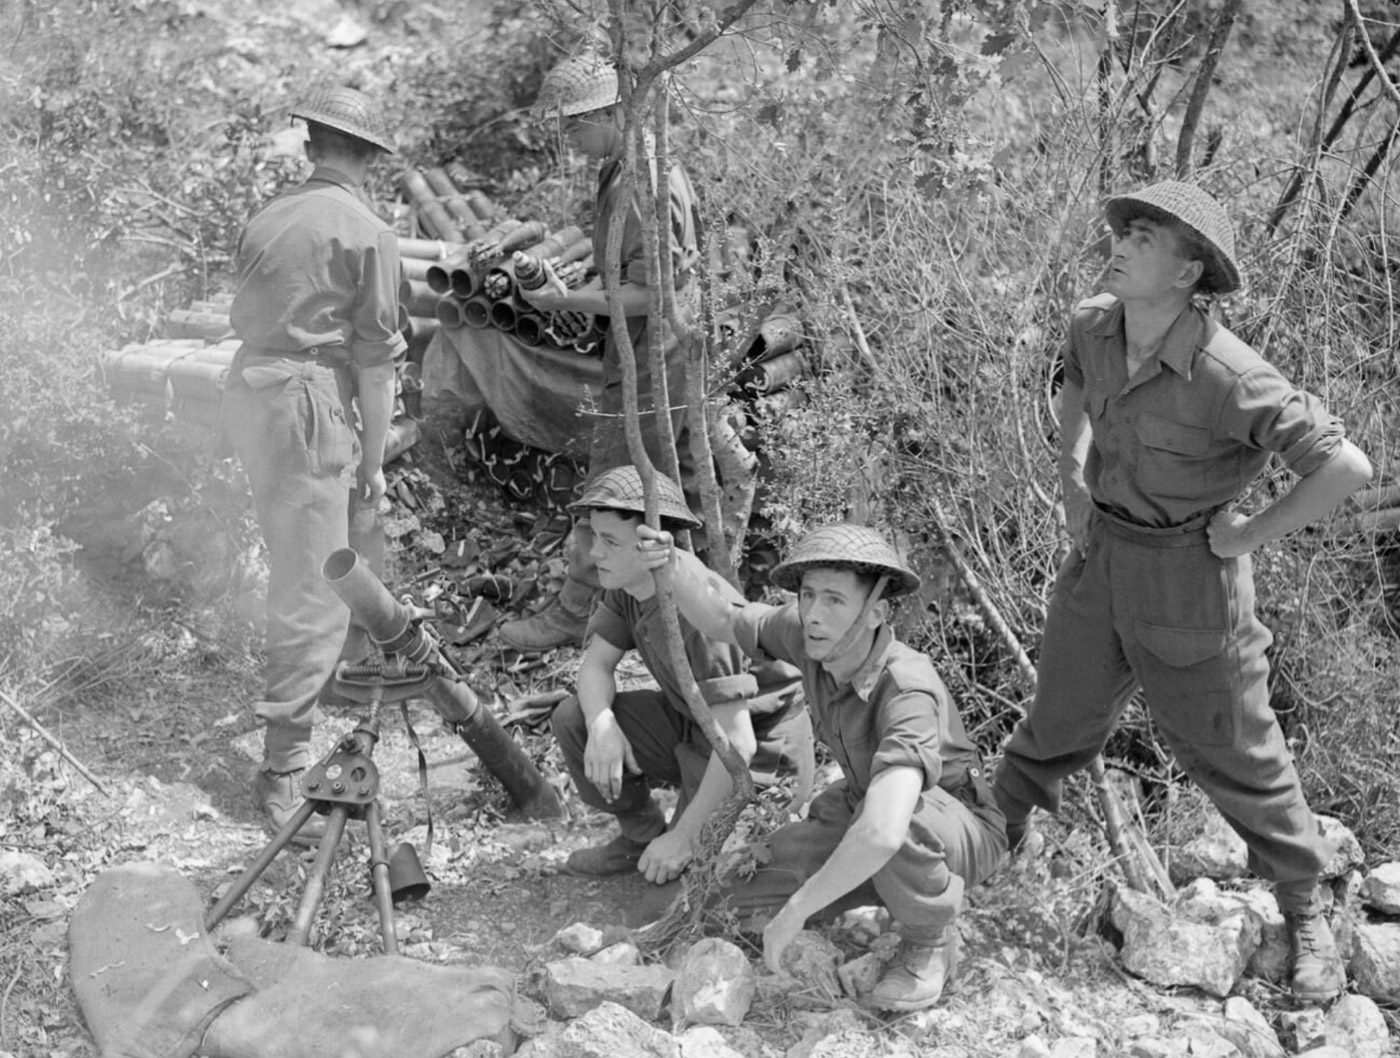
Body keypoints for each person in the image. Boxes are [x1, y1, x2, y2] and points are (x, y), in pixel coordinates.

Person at [990, 181, 1372, 1003]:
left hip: (1190, 579)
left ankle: (1306, 914)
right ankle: (987, 841)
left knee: (1235, 750)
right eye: (1123, 228)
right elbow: (1077, 395)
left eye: (1146, 237)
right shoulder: (1096, 322)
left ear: (1188, 270)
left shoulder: (1229, 374)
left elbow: (1345, 467)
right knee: (1056, 719)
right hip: (1104, 556)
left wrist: (1245, 535)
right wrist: (1070, 483)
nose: (1120, 243)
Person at [638, 522, 1007, 1012]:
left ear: (876, 612)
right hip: (860, 807)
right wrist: (671, 562)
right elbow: (723, 617)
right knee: (731, 897)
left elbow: (883, 829)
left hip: (952, 823)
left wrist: (799, 909)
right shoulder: (810, 635)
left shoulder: (907, 687)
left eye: (834, 599)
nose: (813, 612)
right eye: (808, 595)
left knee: (899, 823)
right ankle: (878, 887)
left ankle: (929, 941)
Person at [223, 86, 402, 843]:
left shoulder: (266, 215)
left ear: (312, 146)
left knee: (291, 556)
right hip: (305, 404)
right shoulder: (367, 230)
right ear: (367, 159)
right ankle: (284, 761)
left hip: (252, 393)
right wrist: (375, 459)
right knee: (316, 583)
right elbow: (376, 361)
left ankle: (302, 705)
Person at [499, 54, 701, 652]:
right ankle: (666, 614)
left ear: (614, 114)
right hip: (654, 353)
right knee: (663, 492)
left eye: (576, 125)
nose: (569, 139)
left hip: (653, 362)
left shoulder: (642, 180)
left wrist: (562, 305)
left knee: (612, 490)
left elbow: (652, 292)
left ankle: (576, 614)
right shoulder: (627, 168)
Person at [553, 465, 812, 883]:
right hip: (698, 726)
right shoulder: (627, 584)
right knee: (574, 718)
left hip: (760, 751)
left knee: (677, 894)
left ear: (650, 547)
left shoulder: (692, 609)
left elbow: (738, 743)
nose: (594, 553)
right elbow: (596, 665)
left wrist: (684, 838)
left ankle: (680, 841)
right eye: (594, 537)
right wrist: (601, 724)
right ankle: (641, 835)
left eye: (609, 541)